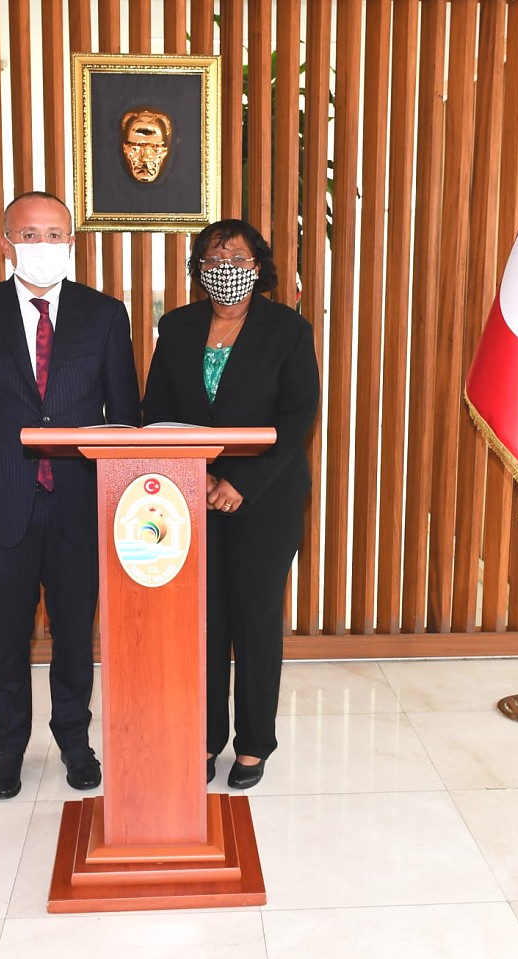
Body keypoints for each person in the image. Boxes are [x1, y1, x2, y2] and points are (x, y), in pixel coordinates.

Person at [0, 191, 140, 800]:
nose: (42, 245)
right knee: (8, 637)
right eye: (29, 235)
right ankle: (9, 748)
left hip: (81, 501)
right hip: (1, 500)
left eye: (54, 235)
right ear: (6, 243)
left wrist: (122, 498)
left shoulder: (104, 314)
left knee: (76, 633)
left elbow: (124, 418)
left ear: (71, 242)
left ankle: (75, 741)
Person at [142, 219, 319, 789]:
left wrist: (239, 480)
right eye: (215, 255)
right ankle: (205, 738)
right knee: (202, 624)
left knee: (256, 620)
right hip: (190, 496)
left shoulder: (288, 331)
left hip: (264, 499)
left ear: (259, 267)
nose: (226, 265)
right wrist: (198, 477)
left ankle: (253, 744)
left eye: (239, 256)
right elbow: (156, 411)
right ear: (198, 266)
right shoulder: (176, 326)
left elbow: (297, 417)